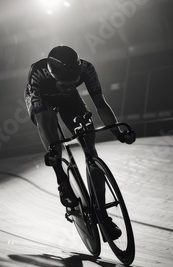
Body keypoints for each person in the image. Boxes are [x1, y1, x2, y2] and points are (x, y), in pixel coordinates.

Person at [24, 45, 136, 239]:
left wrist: (117, 133)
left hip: (70, 103)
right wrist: (53, 154)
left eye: (73, 83)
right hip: (43, 102)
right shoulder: (38, 75)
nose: (69, 88)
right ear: (53, 77)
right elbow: (43, 124)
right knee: (50, 128)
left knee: (90, 144)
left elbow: (100, 104)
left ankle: (102, 214)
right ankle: (62, 181)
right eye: (64, 84)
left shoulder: (87, 69)